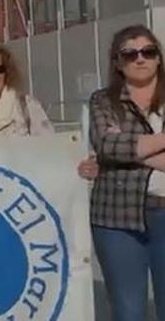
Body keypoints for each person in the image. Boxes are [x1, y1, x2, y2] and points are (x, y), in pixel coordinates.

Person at [87, 25, 165, 320]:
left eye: (148, 52)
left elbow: (119, 148)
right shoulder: (102, 101)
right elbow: (108, 145)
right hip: (116, 218)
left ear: (158, 58)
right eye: (130, 54)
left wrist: (133, 150)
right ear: (118, 63)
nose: (140, 59)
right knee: (128, 310)